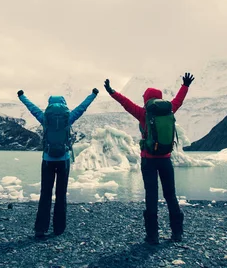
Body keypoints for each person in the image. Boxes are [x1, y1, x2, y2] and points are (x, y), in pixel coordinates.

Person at [104, 73, 194, 244]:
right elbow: (178, 101)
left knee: (151, 196)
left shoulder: (143, 113)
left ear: (146, 99)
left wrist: (111, 91)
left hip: (149, 160)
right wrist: (185, 86)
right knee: (171, 195)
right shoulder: (169, 109)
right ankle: (177, 233)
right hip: (166, 159)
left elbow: (126, 103)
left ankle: (152, 236)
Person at [18, 88, 98, 239]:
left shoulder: (45, 118)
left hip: (48, 160)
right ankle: (58, 229)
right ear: (64, 104)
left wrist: (22, 97)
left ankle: (40, 228)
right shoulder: (68, 118)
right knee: (61, 194)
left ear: (49, 104)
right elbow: (82, 107)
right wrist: (93, 95)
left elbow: (32, 108)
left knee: (45, 193)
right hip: (64, 160)